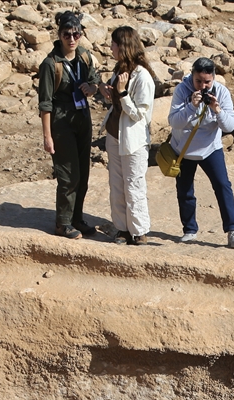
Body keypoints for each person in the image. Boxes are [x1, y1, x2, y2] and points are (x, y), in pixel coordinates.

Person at [167, 57, 234, 249]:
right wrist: (191, 106)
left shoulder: (221, 92)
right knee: (185, 191)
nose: (202, 86)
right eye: (198, 81)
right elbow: (174, 122)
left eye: (207, 82)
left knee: (223, 186)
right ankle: (189, 229)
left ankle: (232, 230)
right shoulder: (181, 91)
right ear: (192, 77)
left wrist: (217, 110)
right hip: (183, 150)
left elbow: (231, 126)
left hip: (210, 148)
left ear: (214, 79)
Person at [37, 11, 100, 239]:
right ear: (59, 35)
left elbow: (95, 80)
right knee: (68, 175)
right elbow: (45, 103)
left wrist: (92, 89)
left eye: (76, 34)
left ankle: (77, 218)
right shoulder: (50, 64)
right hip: (61, 123)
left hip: (83, 119)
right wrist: (47, 136)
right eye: (67, 34)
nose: (71, 39)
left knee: (83, 172)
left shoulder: (84, 56)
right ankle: (62, 223)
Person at [98, 26, 154, 246]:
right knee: (117, 184)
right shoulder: (119, 69)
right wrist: (107, 91)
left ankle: (139, 230)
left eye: (113, 44)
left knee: (134, 184)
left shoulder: (143, 76)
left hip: (134, 140)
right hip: (114, 135)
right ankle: (122, 229)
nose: (110, 48)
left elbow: (141, 113)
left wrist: (122, 93)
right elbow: (114, 103)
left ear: (123, 46)